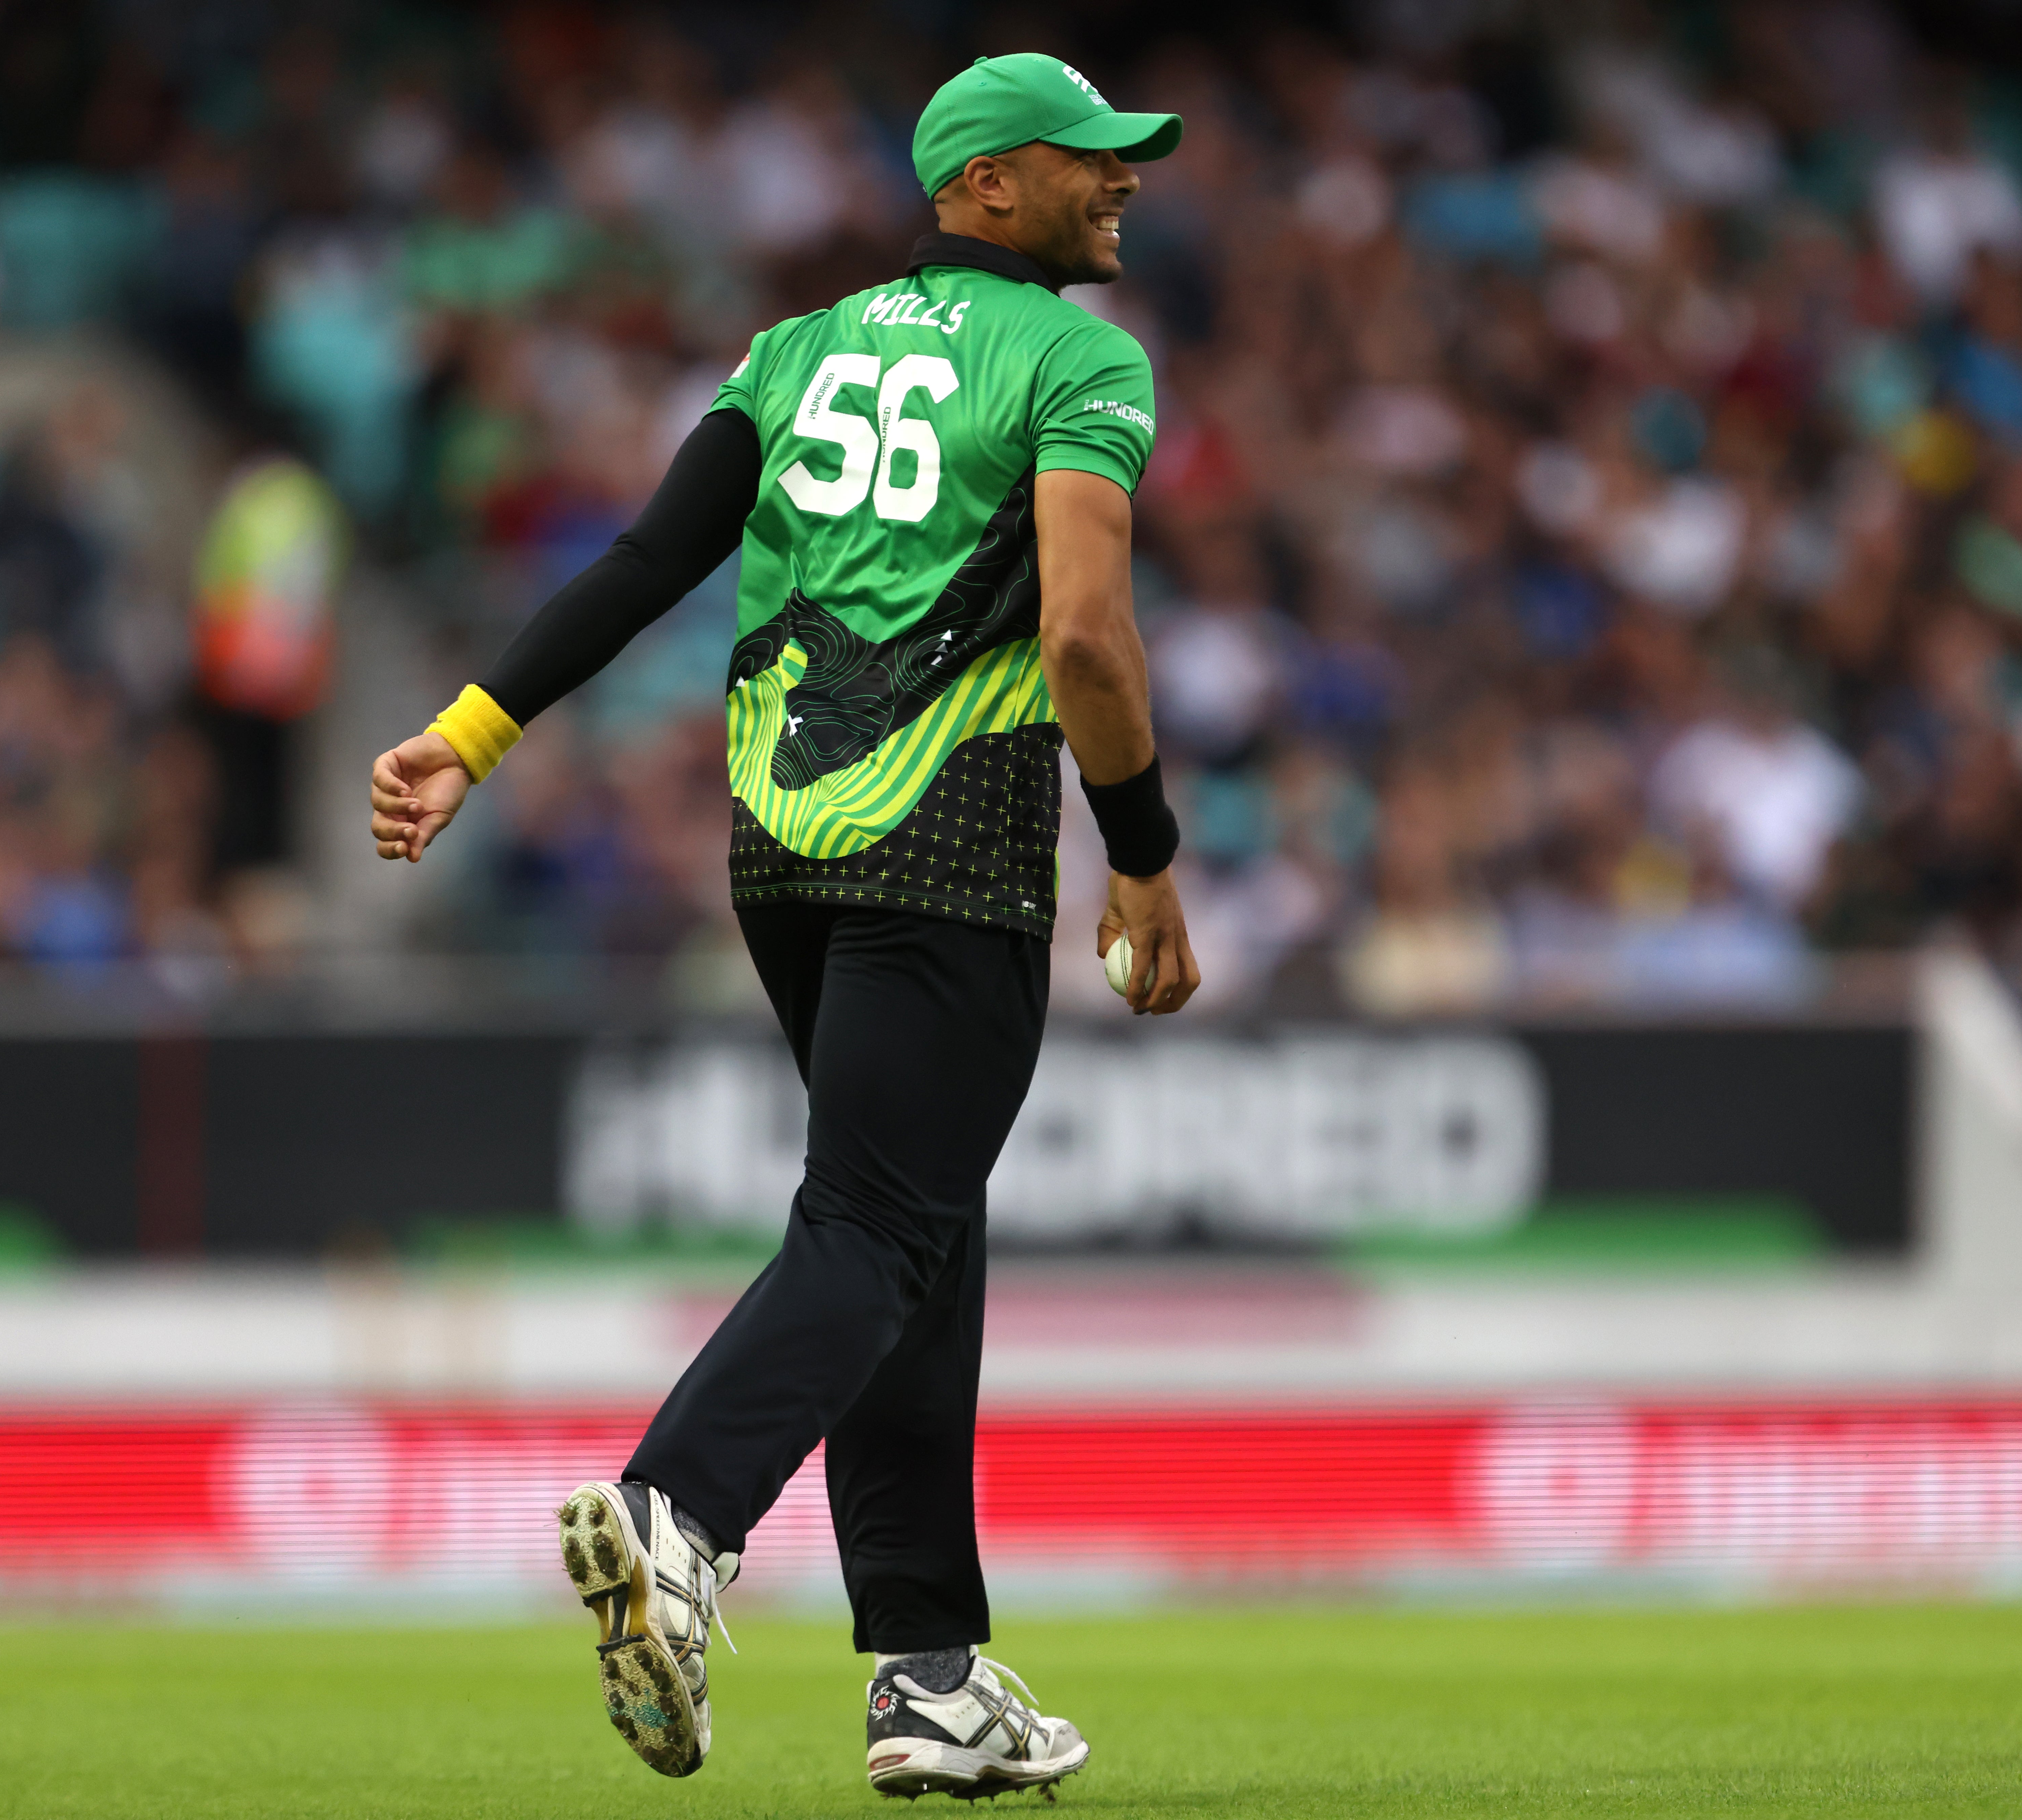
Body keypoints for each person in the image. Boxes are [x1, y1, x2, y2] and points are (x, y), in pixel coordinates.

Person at [369, 52, 1197, 1801]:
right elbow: (1087, 641)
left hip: (779, 852)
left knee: (920, 1236)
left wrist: (466, 736)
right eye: (1087, 163)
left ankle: (932, 1681)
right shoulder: (1080, 359)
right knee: (883, 1225)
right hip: (955, 842)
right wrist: (1142, 848)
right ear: (980, 187)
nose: (1122, 183)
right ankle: (676, 1518)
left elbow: (644, 564)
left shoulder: (793, 350)